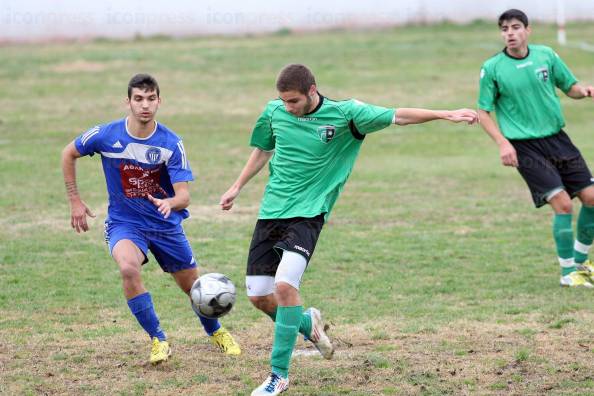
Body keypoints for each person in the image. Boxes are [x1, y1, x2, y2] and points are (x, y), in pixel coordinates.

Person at [219, 64, 478, 395]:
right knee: (259, 296)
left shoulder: (347, 115)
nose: (289, 108)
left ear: (312, 91)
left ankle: (278, 376)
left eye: (294, 101)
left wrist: (446, 114)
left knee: (285, 287)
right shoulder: (274, 112)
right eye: (284, 101)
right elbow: (263, 149)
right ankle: (306, 323)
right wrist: (237, 186)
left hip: (309, 214)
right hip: (271, 212)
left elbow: (398, 115)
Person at [61, 73, 241, 365]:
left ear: (159, 101)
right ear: (128, 102)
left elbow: (184, 197)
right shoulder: (106, 135)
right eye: (138, 99)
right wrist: (75, 200)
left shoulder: (171, 143)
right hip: (125, 223)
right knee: (129, 270)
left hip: (165, 225)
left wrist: (169, 202)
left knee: (193, 288)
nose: (145, 105)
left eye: (151, 99)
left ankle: (216, 331)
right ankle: (158, 339)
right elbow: (68, 153)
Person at [477, 9, 594, 287]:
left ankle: (581, 263)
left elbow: (570, 87)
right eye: (504, 29)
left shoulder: (546, 56)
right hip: (524, 147)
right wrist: (503, 143)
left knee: (591, 197)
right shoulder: (492, 68)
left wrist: (586, 90)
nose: (510, 33)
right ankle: (568, 274)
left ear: (527, 31)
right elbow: (483, 112)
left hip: (558, 139)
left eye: (516, 27)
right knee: (563, 204)